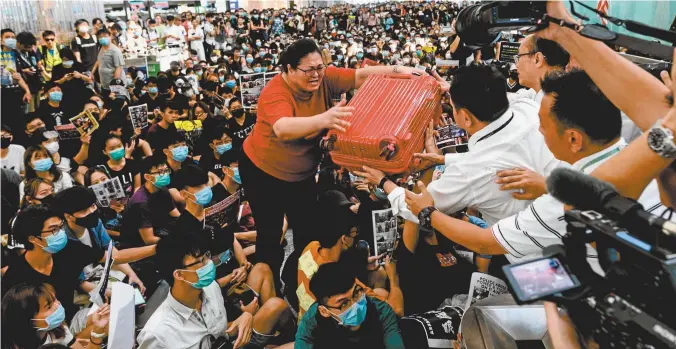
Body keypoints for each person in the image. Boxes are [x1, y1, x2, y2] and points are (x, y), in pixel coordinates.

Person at [403, 70, 672, 273]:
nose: (536, 130)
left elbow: (486, 243)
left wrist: (428, 213)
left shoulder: (558, 206)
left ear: (574, 140)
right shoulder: (645, 159)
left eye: (542, 125)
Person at [240, 38, 425, 288]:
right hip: (264, 172)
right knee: (270, 235)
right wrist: (324, 119)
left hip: (301, 175)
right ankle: (268, 289)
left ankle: (304, 284)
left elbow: (361, 76)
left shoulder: (325, 78)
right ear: (288, 69)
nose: (316, 74)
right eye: (308, 70)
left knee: (308, 232)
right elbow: (282, 128)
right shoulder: (275, 93)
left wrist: (398, 70)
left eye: (320, 67)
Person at [356, 64, 559, 226]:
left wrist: (383, 182)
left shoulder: (471, 171)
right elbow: (501, 158)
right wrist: (443, 159)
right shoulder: (530, 109)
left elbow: (416, 207)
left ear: (466, 118)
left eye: (453, 107)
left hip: (522, 255)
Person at [137, 230, 290, 349]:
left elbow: (219, 334)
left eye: (207, 257)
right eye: (200, 261)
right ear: (179, 274)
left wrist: (244, 318)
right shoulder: (158, 334)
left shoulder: (210, 288)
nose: (209, 264)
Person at [296, 198, 403, 319]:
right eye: (354, 233)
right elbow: (397, 311)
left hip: (305, 319)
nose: (356, 237)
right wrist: (394, 278)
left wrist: (362, 263)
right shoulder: (342, 280)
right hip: (332, 330)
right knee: (383, 293)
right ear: (344, 239)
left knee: (377, 275)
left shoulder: (311, 247)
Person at [295, 262, 405, 349]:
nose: (355, 305)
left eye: (356, 293)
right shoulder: (311, 322)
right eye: (344, 303)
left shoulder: (381, 312)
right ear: (324, 311)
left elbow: (395, 343)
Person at [1, 283, 111, 348]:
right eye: (48, 306)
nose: (57, 305)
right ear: (29, 321)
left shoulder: (59, 330)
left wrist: (98, 330)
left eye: (55, 299)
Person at [120, 156, 180, 247]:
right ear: (148, 177)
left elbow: (176, 216)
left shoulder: (163, 190)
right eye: (160, 172)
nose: (165, 175)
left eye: (166, 170)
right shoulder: (140, 203)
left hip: (159, 229)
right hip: (138, 244)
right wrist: (175, 239)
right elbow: (149, 240)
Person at [511, 35, 569, 104]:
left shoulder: (552, 106)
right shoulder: (540, 91)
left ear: (537, 59)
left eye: (519, 56)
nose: (516, 65)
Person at [1, 28, 32, 134]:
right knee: (5, 126)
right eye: (7, 37)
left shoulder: (13, 54)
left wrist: (27, 90)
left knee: (19, 124)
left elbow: (17, 76)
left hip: (16, 94)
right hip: (3, 96)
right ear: (1, 40)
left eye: (13, 37)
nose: (11, 39)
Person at [92, 28, 125, 96]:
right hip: (104, 84)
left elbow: (119, 68)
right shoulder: (101, 48)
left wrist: (115, 87)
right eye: (100, 37)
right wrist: (92, 73)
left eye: (105, 36)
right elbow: (99, 60)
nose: (103, 38)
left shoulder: (115, 51)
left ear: (110, 36)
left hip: (113, 87)